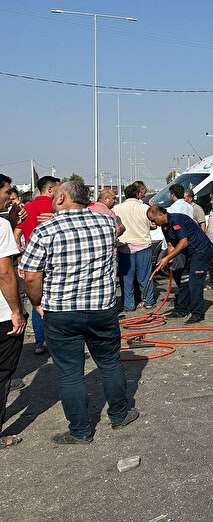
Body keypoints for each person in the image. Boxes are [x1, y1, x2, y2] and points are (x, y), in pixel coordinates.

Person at [19, 180, 139, 444]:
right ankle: (119, 415)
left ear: (61, 198)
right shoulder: (107, 224)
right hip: (101, 310)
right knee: (110, 364)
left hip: (61, 313)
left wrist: (38, 303)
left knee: (70, 373)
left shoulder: (45, 231)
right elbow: (116, 227)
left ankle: (81, 431)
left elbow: (30, 277)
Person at [17, 175, 60, 355]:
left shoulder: (26, 209)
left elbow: (16, 232)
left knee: (36, 301)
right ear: (50, 189)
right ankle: (56, 340)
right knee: (56, 301)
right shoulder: (56, 209)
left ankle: (39, 342)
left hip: (32, 262)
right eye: (59, 188)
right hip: (54, 262)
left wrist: (21, 253)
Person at [147, 205, 212, 323]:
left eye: (153, 220)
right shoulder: (165, 227)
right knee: (182, 279)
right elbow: (171, 245)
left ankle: (198, 313)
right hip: (188, 252)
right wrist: (169, 263)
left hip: (200, 250)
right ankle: (181, 310)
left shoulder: (176, 220)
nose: (152, 223)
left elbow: (184, 242)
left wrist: (167, 258)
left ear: (160, 215)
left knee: (195, 282)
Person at [0, 174, 26, 449]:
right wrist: (16, 311)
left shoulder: (4, 224)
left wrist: (14, 225)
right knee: (2, 372)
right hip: (1, 314)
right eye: (8, 191)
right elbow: (5, 274)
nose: (12, 196)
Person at [114, 183, 155, 312]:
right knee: (145, 276)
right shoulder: (144, 208)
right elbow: (153, 225)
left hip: (124, 247)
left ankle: (129, 305)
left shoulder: (117, 208)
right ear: (138, 194)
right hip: (143, 244)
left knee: (126, 279)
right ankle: (148, 301)